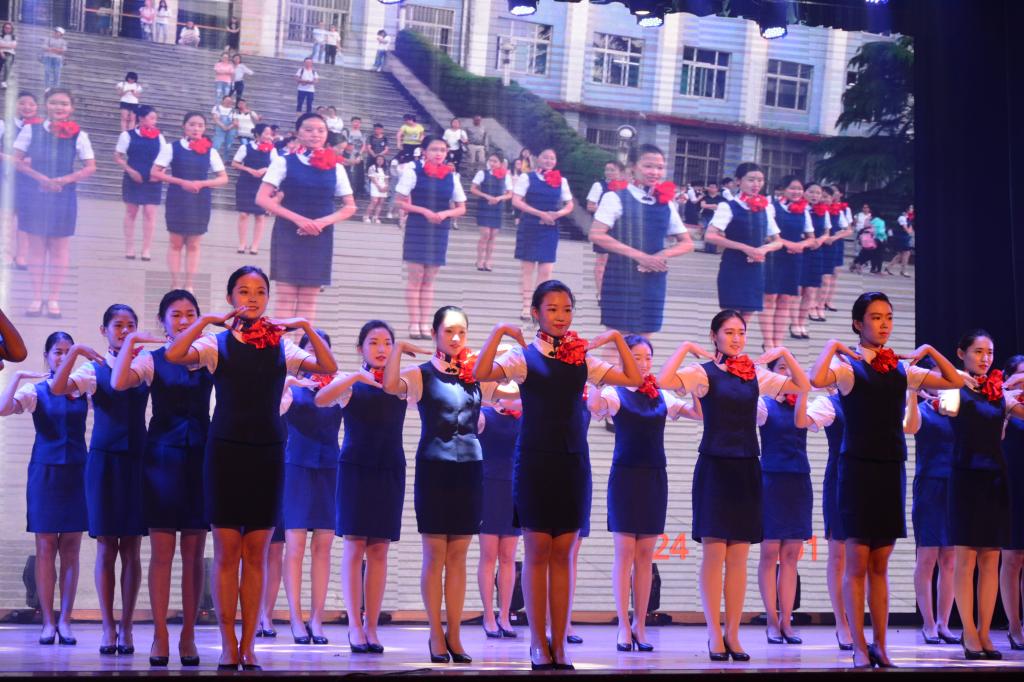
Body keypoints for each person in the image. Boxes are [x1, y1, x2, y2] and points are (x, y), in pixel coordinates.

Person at [165, 265, 337, 670]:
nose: (253, 298)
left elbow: (327, 366)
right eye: (243, 291)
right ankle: (228, 643)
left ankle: (249, 643)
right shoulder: (216, 342)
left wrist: (305, 326)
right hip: (225, 452)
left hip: (268, 452)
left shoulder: (282, 346)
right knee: (227, 551)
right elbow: (174, 355)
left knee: (256, 552)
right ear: (231, 298)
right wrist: (205, 321)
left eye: (260, 291)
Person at [474, 280, 642, 670]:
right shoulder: (522, 356)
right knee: (537, 552)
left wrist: (617, 339)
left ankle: (560, 642)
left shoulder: (582, 358)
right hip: (534, 462)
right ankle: (537, 642)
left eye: (567, 309)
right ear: (536, 313)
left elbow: (633, 379)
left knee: (564, 555)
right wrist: (499, 331)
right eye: (552, 309)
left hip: (572, 462)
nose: (561, 316)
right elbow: (480, 374)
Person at [808, 291, 963, 668]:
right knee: (857, 562)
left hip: (891, 466)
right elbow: (815, 378)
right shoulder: (848, 368)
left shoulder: (902, 370)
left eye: (889, 317)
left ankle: (880, 644)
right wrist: (833, 345)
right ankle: (860, 646)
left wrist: (928, 349)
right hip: (857, 470)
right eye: (876, 317)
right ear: (858, 323)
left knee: (881, 564)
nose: (884, 324)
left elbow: (953, 380)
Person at [658, 310, 809, 662]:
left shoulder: (756, 373)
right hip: (714, 467)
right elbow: (664, 381)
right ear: (714, 336)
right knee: (714, 554)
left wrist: (784, 353)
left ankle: (734, 634)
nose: (737, 338)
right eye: (729, 332)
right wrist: (685, 347)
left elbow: (803, 385)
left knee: (739, 557)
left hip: (747, 468)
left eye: (741, 332)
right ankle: (714, 633)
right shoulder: (703, 373)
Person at [381, 306, 489, 665]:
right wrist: (398, 349)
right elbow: (389, 385)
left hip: (470, 470)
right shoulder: (422, 374)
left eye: (461, 332)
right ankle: (435, 634)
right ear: (434, 333)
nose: (456, 338)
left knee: (458, 557)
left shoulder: (476, 373)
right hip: (434, 469)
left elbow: (509, 387)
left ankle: (455, 633)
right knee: (435, 555)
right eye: (448, 331)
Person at [110, 290, 212, 667]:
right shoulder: (151, 359)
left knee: (194, 554)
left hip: (201, 456)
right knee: (162, 554)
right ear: (163, 320)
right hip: (162, 459)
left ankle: (188, 634)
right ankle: (160, 634)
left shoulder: (208, 355)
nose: (184, 321)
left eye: (190, 314)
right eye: (176, 314)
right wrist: (132, 342)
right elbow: (119, 381)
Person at [587, 335, 698, 652]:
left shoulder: (661, 393)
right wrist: (601, 375)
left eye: (647, 357)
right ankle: (623, 625)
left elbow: (698, 413)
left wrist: (694, 384)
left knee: (646, 556)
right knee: (625, 553)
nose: (644, 363)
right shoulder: (615, 391)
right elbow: (594, 407)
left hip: (654, 477)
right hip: (625, 476)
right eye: (636, 357)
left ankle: (640, 624)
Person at [52, 304, 150, 657]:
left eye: (130, 325)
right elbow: (58, 388)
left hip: (138, 460)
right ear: (104, 330)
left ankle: (128, 626)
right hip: (104, 461)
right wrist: (76, 350)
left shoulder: (144, 363)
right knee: (107, 546)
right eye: (118, 325)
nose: (124, 331)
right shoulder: (92, 368)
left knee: (133, 548)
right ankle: (108, 626)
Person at [318, 320, 406, 653]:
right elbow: (321, 399)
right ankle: (354, 625)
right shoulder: (351, 383)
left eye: (387, 343)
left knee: (380, 549)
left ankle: (372, 626)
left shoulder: (401, 384)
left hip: (390, 467)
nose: (381, 349)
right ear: (360, 348)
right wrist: (354, 376)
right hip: (355, 469)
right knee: (354, 547)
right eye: (373, 342)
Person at [939, 330, 1024, 659]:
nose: (985, 358)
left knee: (990, 559)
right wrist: (956, 379)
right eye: (978, 351)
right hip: (965, 478)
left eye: (989, 352)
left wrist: (1013, 384)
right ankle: (969, 632)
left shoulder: (999, 393)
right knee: (966, 559)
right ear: (962, 353)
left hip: (995, 479)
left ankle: (986, 632)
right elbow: (943, 404)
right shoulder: (954, 388)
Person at [0, 331, 86, 646]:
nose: (63, 357)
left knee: (71, 549)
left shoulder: (82, 387)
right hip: (45, 473)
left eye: (68, 351)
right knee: (46, 548)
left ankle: (66, 620)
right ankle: (48, 621)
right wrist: (17, 375)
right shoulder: (35, 390)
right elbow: (3, 408)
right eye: (57, 352)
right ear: (47, 356)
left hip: (77, 471)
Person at [256, 112, 356, 322]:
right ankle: (281, 341)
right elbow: (262, 198)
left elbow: (349, 206)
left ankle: (302, 343)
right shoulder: (284, 162)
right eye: (308, 130)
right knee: (285, 296)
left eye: (321, 130)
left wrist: (321, 222)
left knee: (309, 299)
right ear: (297, 133)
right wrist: (298, 219)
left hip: (320, 235)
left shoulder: (337, 168)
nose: (315, 134)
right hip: (287, 233)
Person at [590, 144, 694, 336]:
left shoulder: (666, 204)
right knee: (616, 340)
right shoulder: (614, 198)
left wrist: (662, 255)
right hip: (621, 277)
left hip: (653, 279)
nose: (655, 172)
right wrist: (640, 256)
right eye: (648, 166)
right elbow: (596, 234)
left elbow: (687, 242)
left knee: (643, 342)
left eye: (660, 167)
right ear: (632, 167)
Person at [14, 88, 97, 319]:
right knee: (37, 247)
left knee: (59, 248)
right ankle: (36, 297)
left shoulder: (79, 135)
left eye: (64, 104)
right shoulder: (30, 130)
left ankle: (53, 298)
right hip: (35, 194)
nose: (59, 107)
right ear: (46, 105)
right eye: (54, 103)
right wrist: (40, 178)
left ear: (71, 108)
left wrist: (64, 180)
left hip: (63, 196)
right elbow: (16, 160)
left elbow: (90, 166)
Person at [280, 332, 341, 646]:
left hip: (330, 468)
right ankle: (295, 617)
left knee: (324, 546)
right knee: (296, 546)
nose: (318, 357)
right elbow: (271, 408)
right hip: (297, 468)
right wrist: (289, 381)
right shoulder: (291, 387)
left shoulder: (339, 386)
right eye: (312, 351)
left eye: (324, 351)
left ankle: (317, 618)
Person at [394, 136, 467, 339]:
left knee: (429, 279)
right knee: (416, 277)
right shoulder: (413, 171)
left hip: (439, 228)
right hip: (418, 226)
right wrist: (424, 211)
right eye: (434, 149)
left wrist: (445, 214)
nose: (439, 153)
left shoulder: (452, 176)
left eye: (443, 150)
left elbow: (462, 208)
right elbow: (399, 202)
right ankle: (413, 323)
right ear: (424, 151)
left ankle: (425, 323)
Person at [150, 111, 229, 292]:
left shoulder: (211, 151)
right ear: (184, 126)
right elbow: (155, 172)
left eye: (200, 125)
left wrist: (203, 183)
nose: (196, 129)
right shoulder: (172, 148)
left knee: (194, 244)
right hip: (178, 198)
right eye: (192, 124)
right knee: (175, 243)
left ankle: (190, 284)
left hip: (200, 200)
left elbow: (223, 178)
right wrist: (181, 182)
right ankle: (175, 283)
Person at [908, 379, 959, 645]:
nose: (940, 384)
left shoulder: (957, 410)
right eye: (935, 380)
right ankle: (928, 623)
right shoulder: (920, 409)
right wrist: (912, 394)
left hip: (955, 486)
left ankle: (944, 623)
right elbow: (909, 426)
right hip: (929, 485)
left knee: (949, 559)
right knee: (926, 557)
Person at [703, 162, 782, 321]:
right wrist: (745, 248)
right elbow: (710, 236)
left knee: (746, 318)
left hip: (756, 269)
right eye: (751, 180)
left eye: (760, 180)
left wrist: (763, 249)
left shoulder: (765, 208)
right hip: (733, 266)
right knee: (729, 319)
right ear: (738, 181)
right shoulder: (728, 207)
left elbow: (778, 241)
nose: (756, 184)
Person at [476, 384, 522, 640]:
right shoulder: (484, 415)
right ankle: (488, 616)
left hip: (513, 488)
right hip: (489, 486)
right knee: (489, 554)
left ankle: (505, 615)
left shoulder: (522, 418)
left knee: (508, 556)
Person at [511, 149, 575, 322]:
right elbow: (516, 201)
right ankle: (526, 306)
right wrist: (540, 213)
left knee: (546, 269)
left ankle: (539, 306)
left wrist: (557, 214)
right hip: (530, 225)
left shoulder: (561, 181)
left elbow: (569, 205)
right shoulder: (527, 178)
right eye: (545, 157)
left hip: (550, 227)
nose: (548, 161)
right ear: (537, 158)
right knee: (527, 268)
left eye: (552, 158)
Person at [761, 176, 812, 348]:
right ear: (783, 189)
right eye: (792, 188)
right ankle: (768, 343)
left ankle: (778, 344)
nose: (796, 192)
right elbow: (768, 234)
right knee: (769, 298)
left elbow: (811, 238)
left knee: (785, 299)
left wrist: (801, 245)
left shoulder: (804, 211)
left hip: (794, 259)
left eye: (799, 189)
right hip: (774, 257)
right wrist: (789, 244)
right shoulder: (772, 207)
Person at [114, 104, 165, 262]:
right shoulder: (127, 135)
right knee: (131, 212)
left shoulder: (159, 137)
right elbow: (117, 157)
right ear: (141, 118)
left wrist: (160, 173)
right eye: (152, 118)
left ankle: (146, 249)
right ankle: (129, 247)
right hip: (133, 178)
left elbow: (164, 158)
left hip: (153, 180)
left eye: (155, 119)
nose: (154, 121)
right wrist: (131, 171)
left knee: (150, 213)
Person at [999, 354, 1024, 651]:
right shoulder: (1003, 404)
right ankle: (1014, 626)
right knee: (1013, 558)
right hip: (1009, 486)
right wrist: (1009, 388)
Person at [791, 183, 831, 339]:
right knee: (797, 291)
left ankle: (802, 323)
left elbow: (827, 232)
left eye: (818, 193)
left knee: (810, 291)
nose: (815, 195)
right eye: (811, 192)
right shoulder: (795, 208)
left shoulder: (823, 212)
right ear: (804, 192)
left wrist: (819, 240)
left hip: (816, 252)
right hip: (799, 252)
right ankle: (794, 324)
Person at [585, 160, 628, 298]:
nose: (609, 172)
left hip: (620, 229)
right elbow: (590, 206)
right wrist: (607, 211)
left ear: (621, 172)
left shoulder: (627, 187)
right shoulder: (599, 185)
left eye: (612, 170)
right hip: (603, 228)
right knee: (602, 260)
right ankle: (600, 293)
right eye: (607, 169)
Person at [232, 123, 276, 256]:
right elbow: (234, 163)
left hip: (263, 185)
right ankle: (242, 243)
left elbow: (276, 166)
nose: (269, 136)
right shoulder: (245, 147)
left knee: (260, 216)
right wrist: (248, 169)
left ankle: (255, 245)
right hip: (246, 183)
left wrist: (266, 169)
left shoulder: (272, 150)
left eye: (270, 134)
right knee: (243, 214)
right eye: (266, 133)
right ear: (257, 134)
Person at [471, 154, 513, 271]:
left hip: (497, 207)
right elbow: (473, 189)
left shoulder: (506, 175)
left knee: (493, 235)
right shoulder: (482, 173)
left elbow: (509, 194)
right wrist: (485, 196)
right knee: (485, 234)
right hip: (484, 206)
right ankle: (479, 260)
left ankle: (488, 260)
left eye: (495, 161)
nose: (492, 163)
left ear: (500, 163)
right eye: (490, 160)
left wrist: (499, 198)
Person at [885, 205, 914, 277]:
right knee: (906, 253)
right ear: (907, 209)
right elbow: (906, 229)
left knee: (901, 254)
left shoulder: (908, 218)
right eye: (911, 208)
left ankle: (889, 268)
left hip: (904, 237)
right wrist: (909, 231)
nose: (912, 210)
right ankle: (903, 271)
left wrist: (909, 230)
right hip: (900, 237)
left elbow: (910, 229)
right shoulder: (902, 217)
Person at [342, 117, 367, 197]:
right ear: (351, 122)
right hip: (348, 155)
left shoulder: (362, 133)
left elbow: (363, 146)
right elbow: (343, 143)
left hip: (358, 156)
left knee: (357, 175)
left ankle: (355, 193)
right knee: (347, 174)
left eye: (358, 122)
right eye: (355, 122)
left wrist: (359, 155)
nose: (356, 124)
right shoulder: (347, 132)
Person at [699, 181, 724, 254]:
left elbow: (721, 207)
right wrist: (714, 205)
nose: (712, 189)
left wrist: (709, 206)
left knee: (714, 232)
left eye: (714, 187)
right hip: (706, 216)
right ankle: (707, 248)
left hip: (716, 217)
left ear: (717, 189)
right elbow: (703, 205)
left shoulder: (721, 198)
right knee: (707, 231)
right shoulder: (705, 197)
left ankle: (713, 249)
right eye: (710, 187)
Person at [365, 155, 389, 224]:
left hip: (383, 186)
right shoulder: (372, 167)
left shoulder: (385, 168)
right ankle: (366, 216)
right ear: (376, 160)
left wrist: (386, 186)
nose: (380, 161)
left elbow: (386, 178)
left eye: (381, 159)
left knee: (381, 202)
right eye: (378, 159)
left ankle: (376, 217)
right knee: (374, 201)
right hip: (375, 186)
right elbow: (372, 178)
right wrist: (378, 186)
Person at [0, 22, 17, 89]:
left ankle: (4, 82)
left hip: (10, 53)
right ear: (3, 28)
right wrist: (1, 52)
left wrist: (3, 45)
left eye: (9, 28)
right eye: (6, 28)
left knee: (7, 66)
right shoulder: (1, 36)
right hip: (1, 52)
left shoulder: (13, 37)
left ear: (11, 29)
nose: (7, 29)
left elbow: (14, 46)